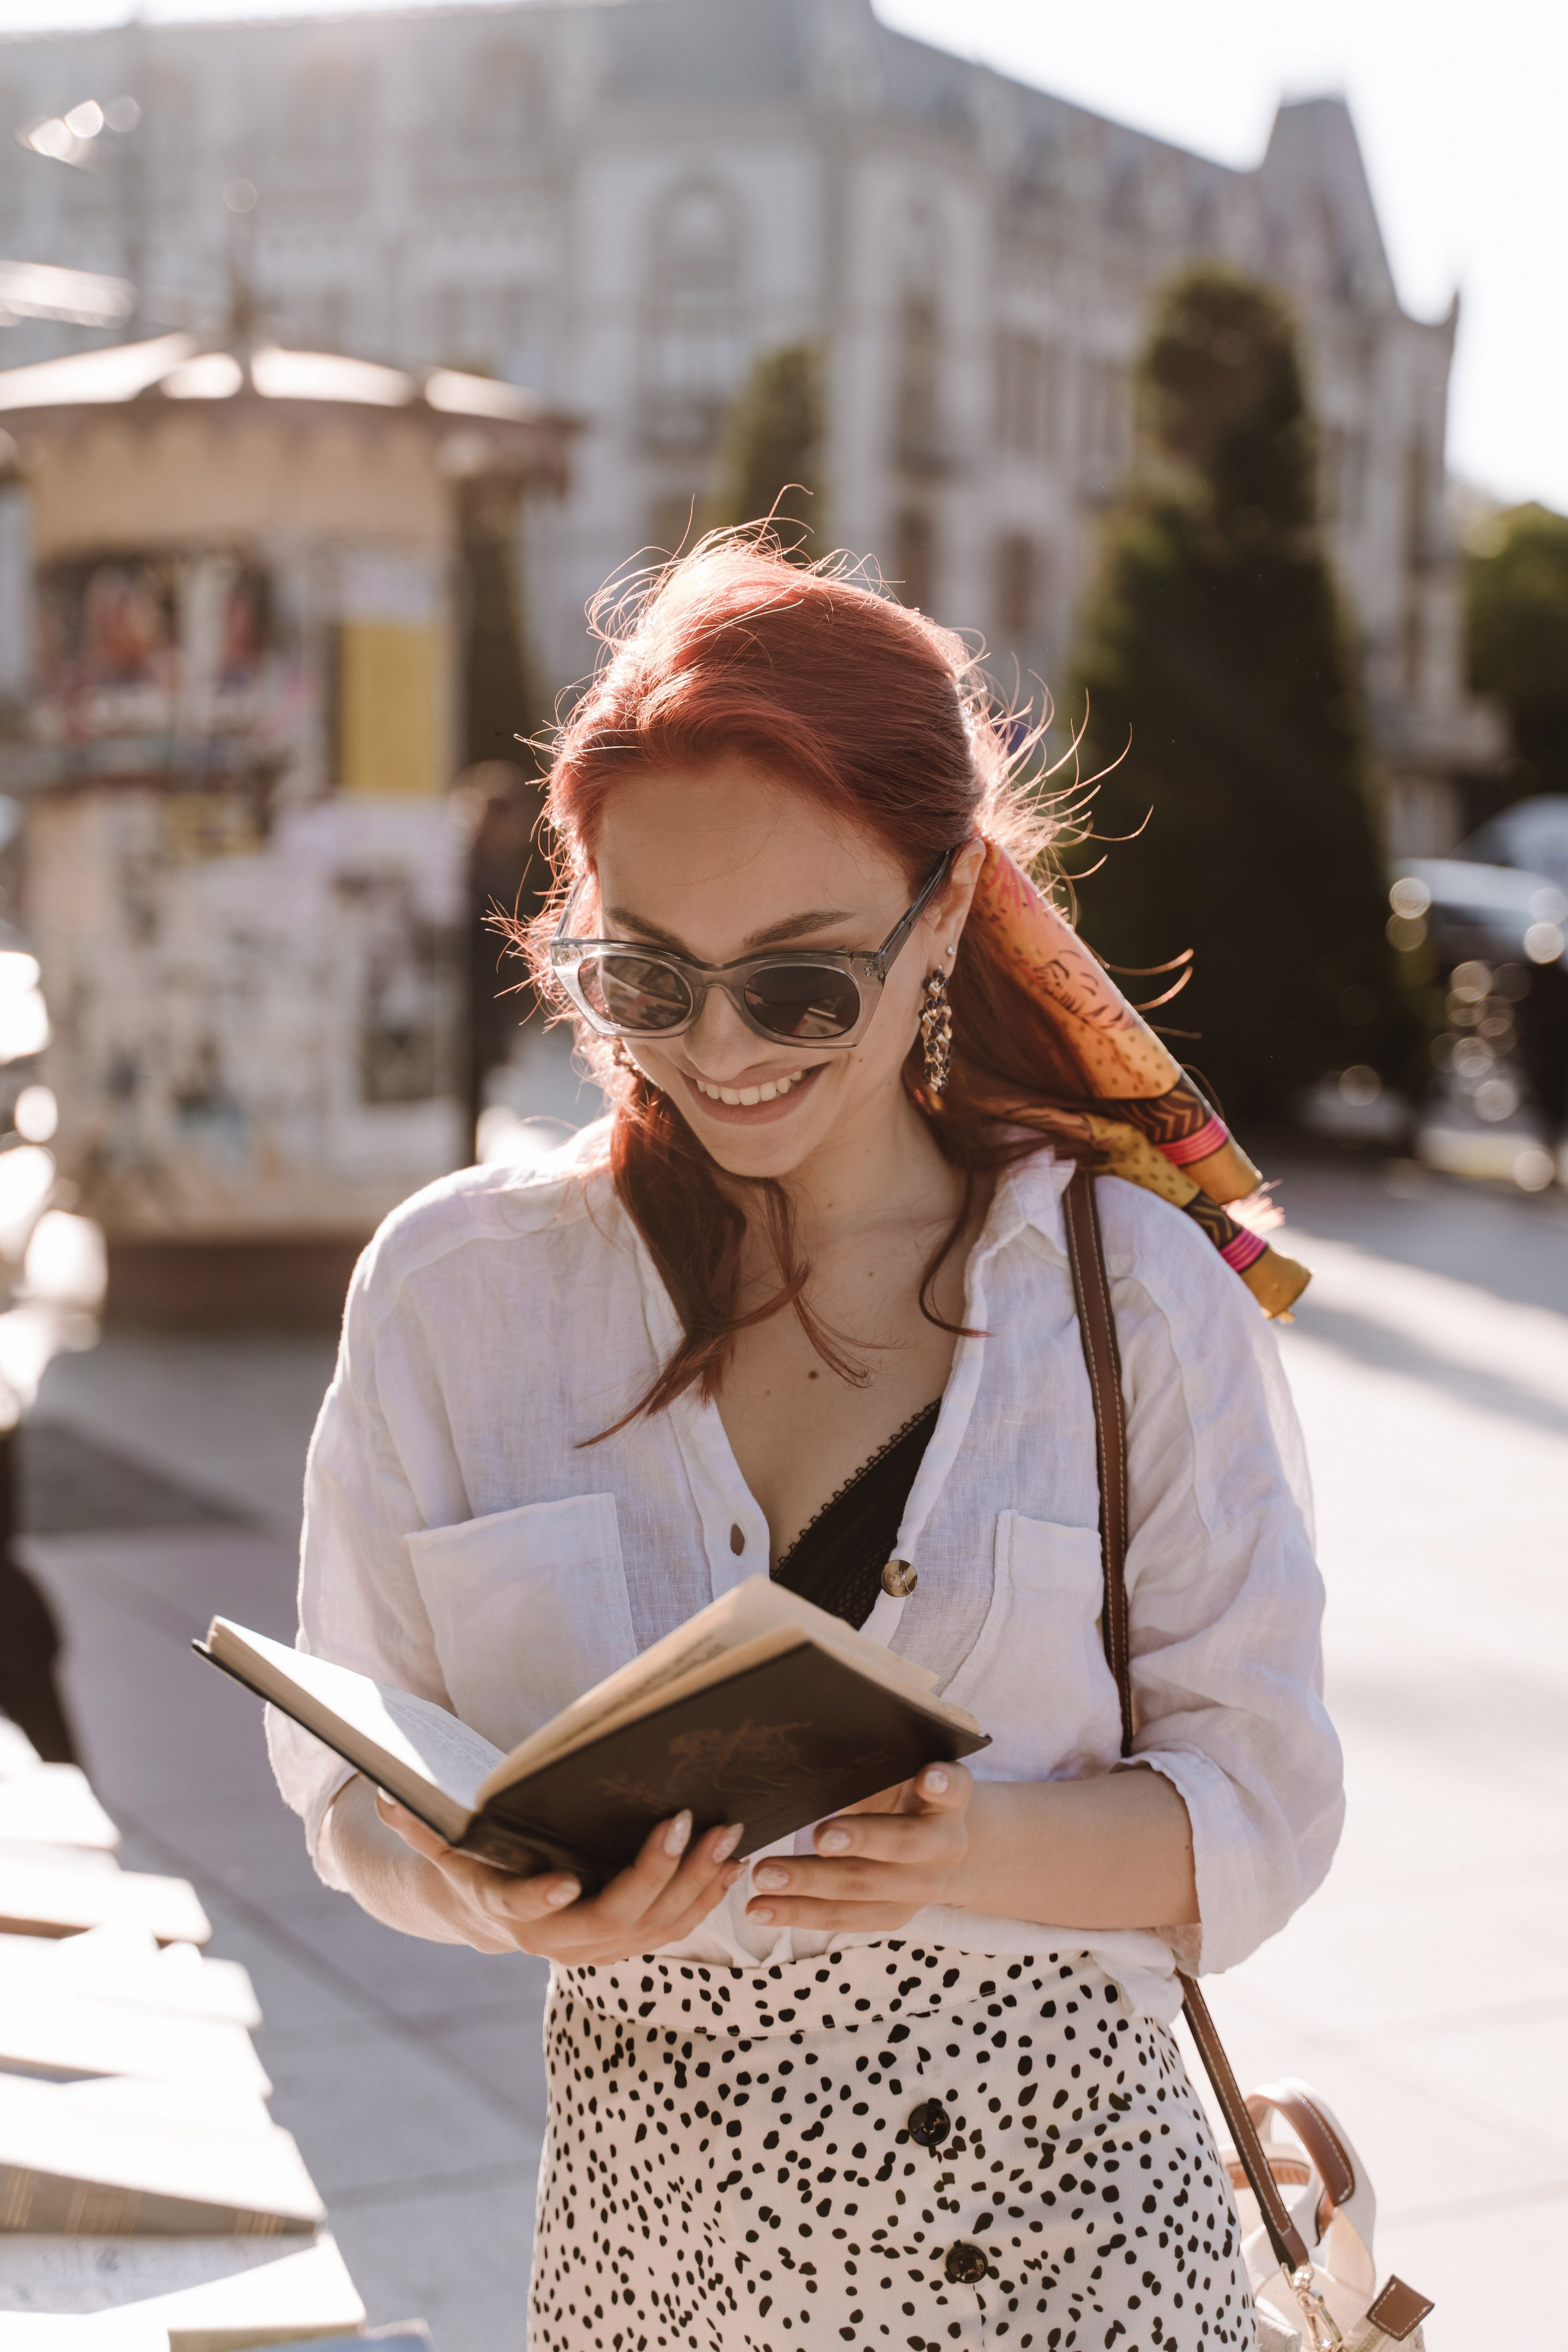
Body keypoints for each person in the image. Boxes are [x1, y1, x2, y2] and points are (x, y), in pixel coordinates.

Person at [271, 539, 1341, 2350]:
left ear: (943, 919)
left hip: (1075, 2268)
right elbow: (355, 1788)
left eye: (798, 987)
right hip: (649, 2270)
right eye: (644, 978)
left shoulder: (1130, 1294)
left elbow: (1266, 1809)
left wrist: (963, 1852)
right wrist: (463, 1881)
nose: (719, 1051)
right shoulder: (457, 1294)